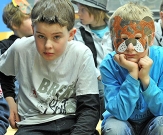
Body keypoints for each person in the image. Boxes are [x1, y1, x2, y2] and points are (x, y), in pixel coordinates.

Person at [0, 0, 100, 134]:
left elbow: (89, 108)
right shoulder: (20, 48)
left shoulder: (81, 54)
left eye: (56, 37)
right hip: (33, 124)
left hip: (72, 121)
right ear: (33, 30)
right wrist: (10, 100)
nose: (48, 45)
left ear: (71, 34)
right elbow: (3, 72)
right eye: (41, 36)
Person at [100, 2, 163, 135]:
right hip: (122, 121)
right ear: (113, 39)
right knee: (114, 128)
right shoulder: (109, 64)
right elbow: (120, 113)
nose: (130, 47)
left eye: (137, 38)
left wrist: (145, 79)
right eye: (123, 39)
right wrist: (132, 74)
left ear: (151, 38)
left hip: (155, 120)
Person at [71, 0, 113, 120]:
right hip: (94, 76)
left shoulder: (114, 28)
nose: (79, 14)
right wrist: (100, 75)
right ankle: (103, 122)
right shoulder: (79, 33)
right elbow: (82, 59)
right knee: (104, 93)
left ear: (96, 11)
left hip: (116, 74)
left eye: (83, 10)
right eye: (78, 9)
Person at [0, 1, 33, 133]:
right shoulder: (4, 46)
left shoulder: (40, 43)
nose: (34, 21)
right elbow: (4, 77)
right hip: (15, 99)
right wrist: (11, 102)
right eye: (28, 18)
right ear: (15, 24)